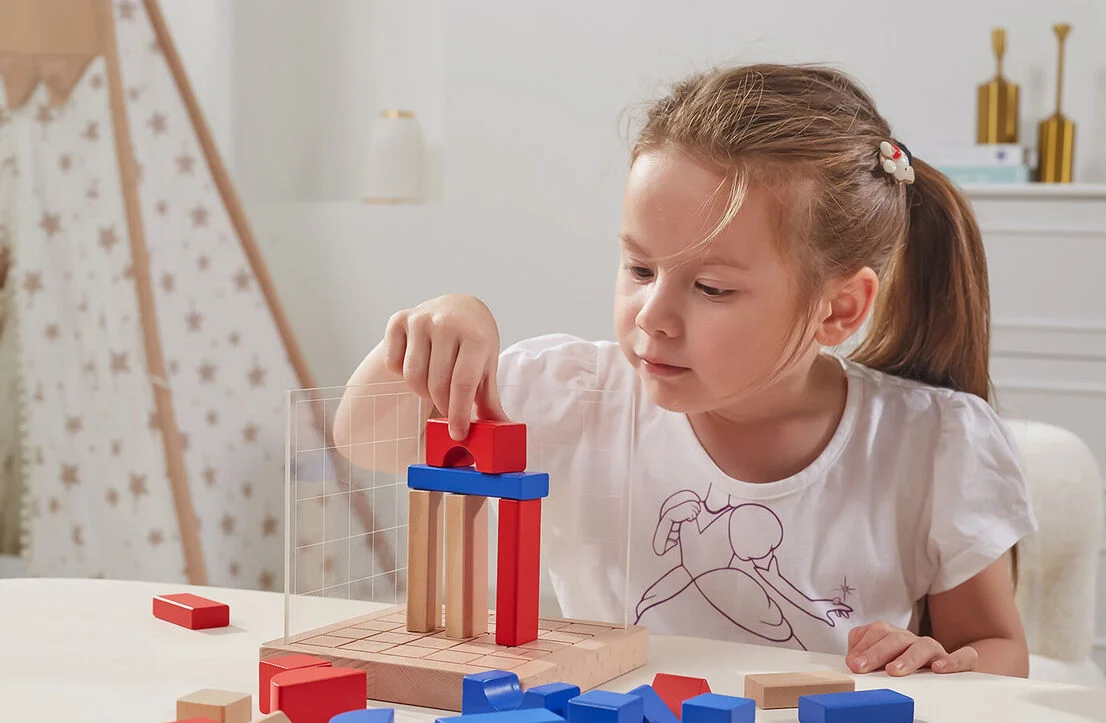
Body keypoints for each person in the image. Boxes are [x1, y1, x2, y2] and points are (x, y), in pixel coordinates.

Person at [335, 64, 1035, 678]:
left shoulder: (934, 442)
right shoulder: (572, 394)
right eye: (639, 269)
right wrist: (444, 323)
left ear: (838, 309)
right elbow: (365, 438)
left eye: (711, 288)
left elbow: (996, 647)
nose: (653, 316)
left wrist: (944, 664)